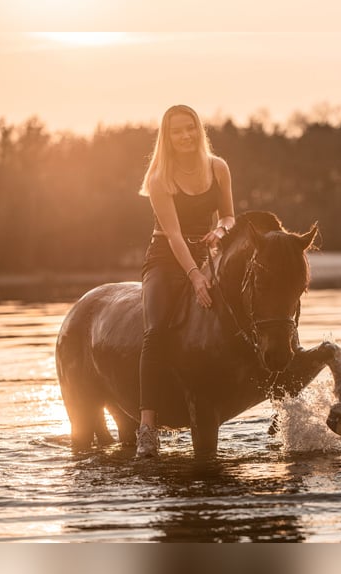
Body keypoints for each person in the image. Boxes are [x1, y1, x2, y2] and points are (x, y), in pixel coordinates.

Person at [135, 104, 235, 458]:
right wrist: (194, 277)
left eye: (190, 128)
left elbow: (228, 217)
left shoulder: (218, 167)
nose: (186, 136)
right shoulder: (159, 178)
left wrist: (220, 233)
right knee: (157, 329)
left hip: (208, 252)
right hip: (166, 256)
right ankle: (147, 427)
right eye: (177, 131)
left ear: (199, 129)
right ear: (168, 136)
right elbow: (175, 236)